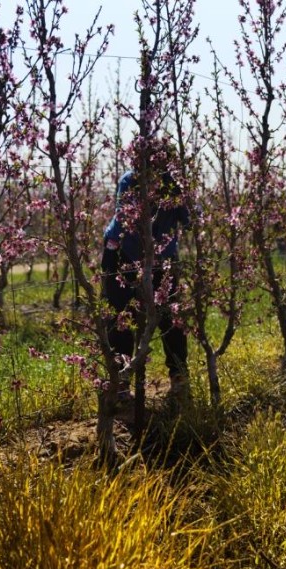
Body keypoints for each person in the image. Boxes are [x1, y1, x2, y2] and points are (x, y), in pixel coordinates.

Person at [101, 145, 190, 406]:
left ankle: (179, 377)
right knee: (120, 318)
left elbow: (190, 220)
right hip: (121, 254)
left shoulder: (173, 185)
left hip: (163, 258)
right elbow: (128, 223)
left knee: (171, 317)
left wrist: (179, 197)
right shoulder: (129, 181)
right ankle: (120, 383)